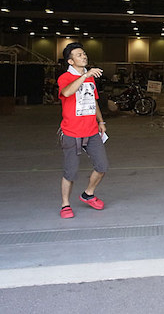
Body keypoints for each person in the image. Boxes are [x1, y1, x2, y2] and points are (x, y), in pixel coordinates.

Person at [57, 42, 109, 219]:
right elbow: (66, 92)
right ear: (70, 61)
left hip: (92, 131)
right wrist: (85, 75)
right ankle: (65, 204)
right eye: (79, 55)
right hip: (71, 132)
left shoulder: (90, 78)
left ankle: (88, 193)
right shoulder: (65, 77)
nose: (84, 56)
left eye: (84, 53)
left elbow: (93, 101)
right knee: (70, 172)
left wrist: (101, 121)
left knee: (102, 166)